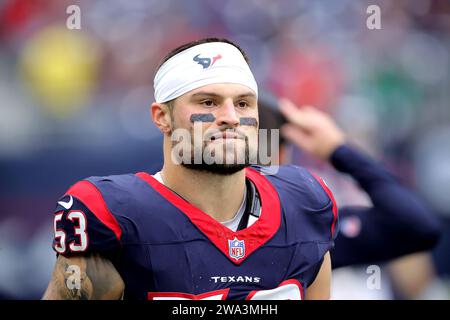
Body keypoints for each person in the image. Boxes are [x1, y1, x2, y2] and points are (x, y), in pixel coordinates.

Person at [43, 38, 338, 300]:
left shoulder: (304, 202)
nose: (231, 118)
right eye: (209, 102)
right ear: (162, 117)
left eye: (244, 103)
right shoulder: (116, 214)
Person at [272, 98, 441, 269]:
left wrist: (338, 150)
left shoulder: (302, 229)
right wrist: (338, 149)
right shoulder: (298, 230)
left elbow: (419, 228)